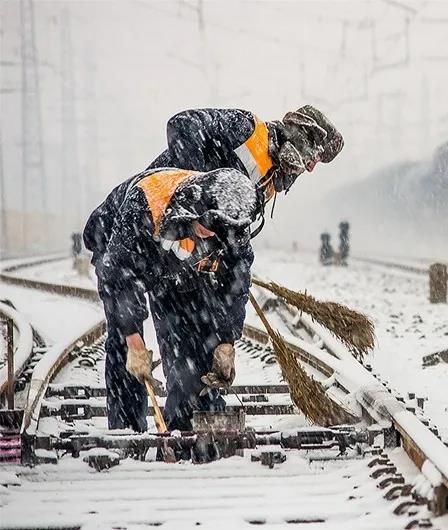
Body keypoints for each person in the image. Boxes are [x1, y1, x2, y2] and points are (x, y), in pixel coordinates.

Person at [83, 167, 257, 432]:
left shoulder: (231, 222)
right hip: (115, 248)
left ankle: (188, 428)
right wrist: (133, 338)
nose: (211, 236)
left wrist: (226, 340)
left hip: (172, 267)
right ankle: (128, 434)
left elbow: (235, 286)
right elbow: (119, 279)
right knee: (126, 350)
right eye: (208, 228)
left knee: (191, 346)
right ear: (196, 209)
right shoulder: (147, 203)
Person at [147, 105, 343, 235]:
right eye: (315, 156)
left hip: (176, 249)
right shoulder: (246, 129)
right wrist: (193, 191)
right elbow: (184, 123)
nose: (310, 168)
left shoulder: (268, 182)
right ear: (301, 132)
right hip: (147, 213)